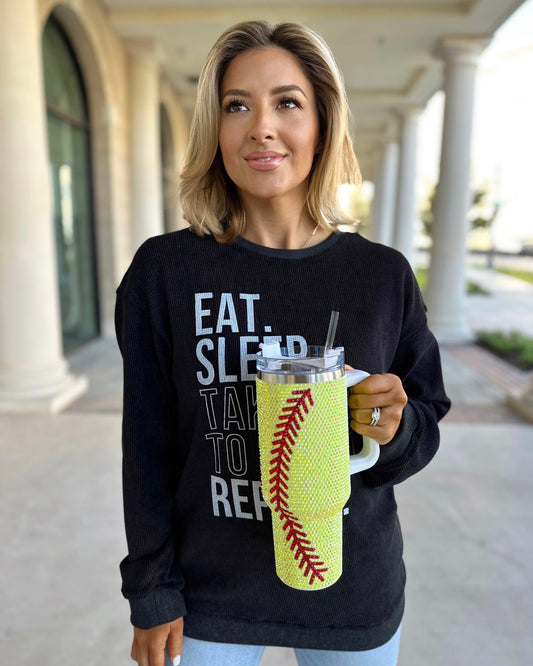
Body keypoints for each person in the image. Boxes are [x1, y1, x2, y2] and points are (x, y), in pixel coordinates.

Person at [115, 20, 450, 666]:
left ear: (323, 124)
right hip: (209, 594)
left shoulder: (380, 276)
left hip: (352, 592)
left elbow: (423, 426)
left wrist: (392, 429)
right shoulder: (166, 272)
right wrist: (151, 592)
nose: (260, 126)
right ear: (215, 128)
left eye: (287, 103)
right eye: (236, 105)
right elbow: (146, 448)